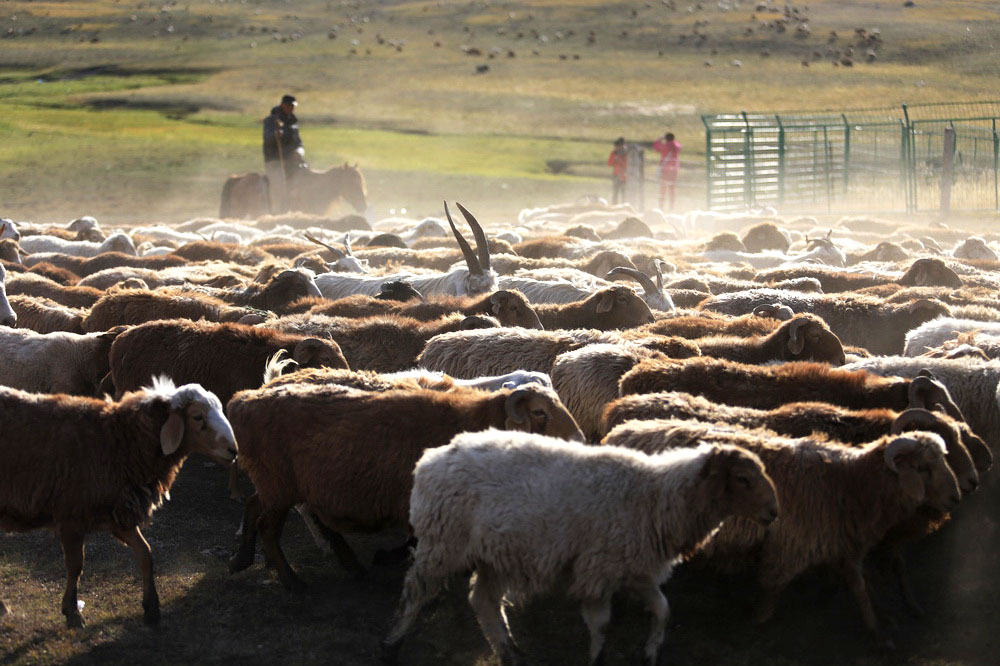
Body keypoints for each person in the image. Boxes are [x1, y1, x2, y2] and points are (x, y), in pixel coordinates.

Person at [262, 94, 306, 213]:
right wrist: (275, 135)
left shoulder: (293, 122)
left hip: (293, 162)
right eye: (289, 105)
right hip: (275, 160)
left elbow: (299, 143)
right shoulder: (271, 121)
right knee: (280, 185)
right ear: (282, 105)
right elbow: (267, 139)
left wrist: (299, 152)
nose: (291, 108)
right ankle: (278, 211)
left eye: (293, 106)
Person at [652, 131, 681, 210]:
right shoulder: (677, 146)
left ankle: (661, 206)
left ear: (666, 138)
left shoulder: (664, 146)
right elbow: (679, 145)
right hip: (674, 170)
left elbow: (655, 146)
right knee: (672, 189)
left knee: (663, 189)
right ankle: (672, 207)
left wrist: (660, 139)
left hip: (665, 170)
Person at [607, 137, 627, 205]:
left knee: (624, 193)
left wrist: (621, 161)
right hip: (616, 175)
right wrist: (614, 160)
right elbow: (609, 163)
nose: (617, 148)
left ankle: (624, 205)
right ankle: (614, 205)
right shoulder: (614, 153)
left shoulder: (626, 153)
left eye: (619, 146)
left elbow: (628, 165)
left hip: (625, 176)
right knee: (615, 192)